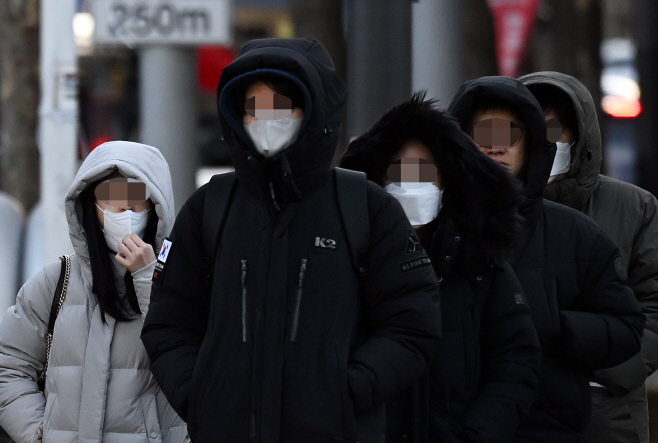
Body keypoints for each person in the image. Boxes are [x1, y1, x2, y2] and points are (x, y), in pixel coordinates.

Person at [140, 38, 442, 443]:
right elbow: (167, 323)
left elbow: (412, 324)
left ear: (313, 110)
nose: (266, 119)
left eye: (280, 105)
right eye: (253, 108)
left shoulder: (365, 207)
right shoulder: (210, 208)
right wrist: (201, 394)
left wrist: (346, 390)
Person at [447, 76, 646, 442]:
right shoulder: (430, 230)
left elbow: (627, 327)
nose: (495, 147)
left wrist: (556, 325)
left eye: (509, 133)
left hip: (546, 426)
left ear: (533, 144)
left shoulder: (576, 234)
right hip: (450, 425)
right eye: (481, 133)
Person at [340, 93, 542, 443]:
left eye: (425, 173)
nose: (411, 184)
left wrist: (476, 433)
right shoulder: (344, 259)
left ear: (448, 184)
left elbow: (515, 362)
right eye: (399, 172)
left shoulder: (480, 264)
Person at [0, 141, 187, 442]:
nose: (125, 209)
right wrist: (39, 433)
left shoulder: (184, 283)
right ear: (90, 204)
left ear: (156, 206)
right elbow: (8, 365)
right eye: (111, 196)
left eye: (137, 196)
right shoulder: (55, 280)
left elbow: (194, 361)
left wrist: (147, 278)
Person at [520, 71, 658, 443]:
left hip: (607, 414)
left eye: (553, 131)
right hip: (516, 407)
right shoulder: (490, 210)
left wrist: (607, 373)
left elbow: (654, 301)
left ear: (577, 137)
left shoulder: (633, 206)